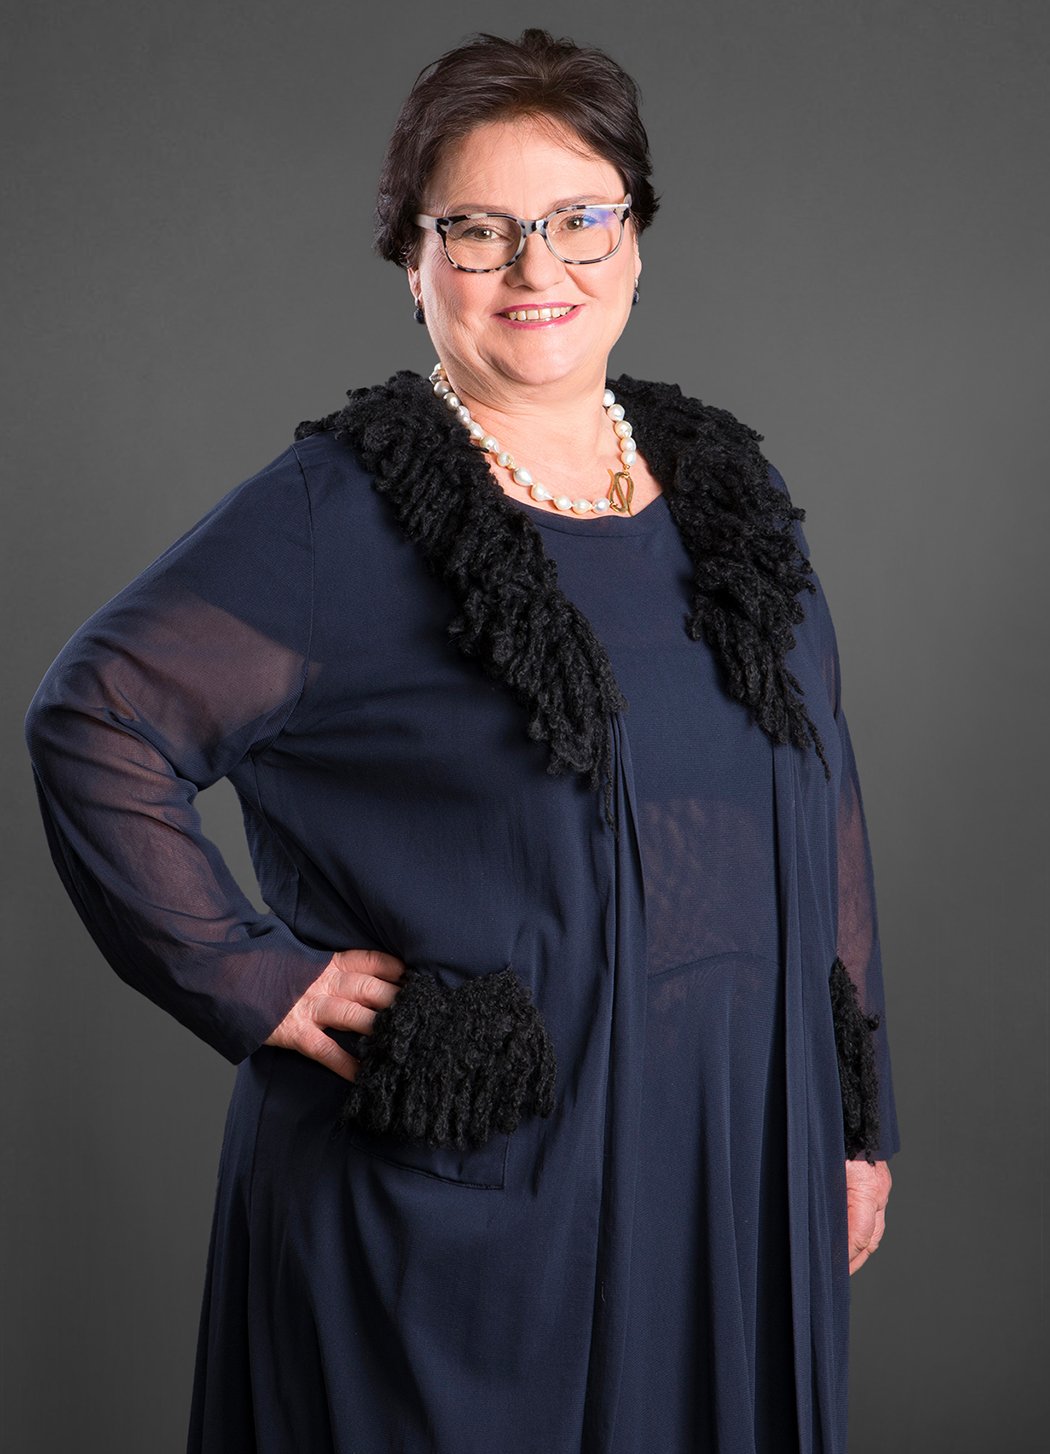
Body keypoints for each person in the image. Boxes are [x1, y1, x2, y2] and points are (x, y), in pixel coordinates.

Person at [24, 27, 900, 1454]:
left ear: (634, 238)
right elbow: (95, 716)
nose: (536, 266)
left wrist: (853, 1121)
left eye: (578, 218)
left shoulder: (728, 493)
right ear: (414, 263)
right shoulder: (340, 512)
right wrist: (257, 979)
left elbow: (819, 797)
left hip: (727, 1168)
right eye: (479, 230)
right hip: (471, 1208)